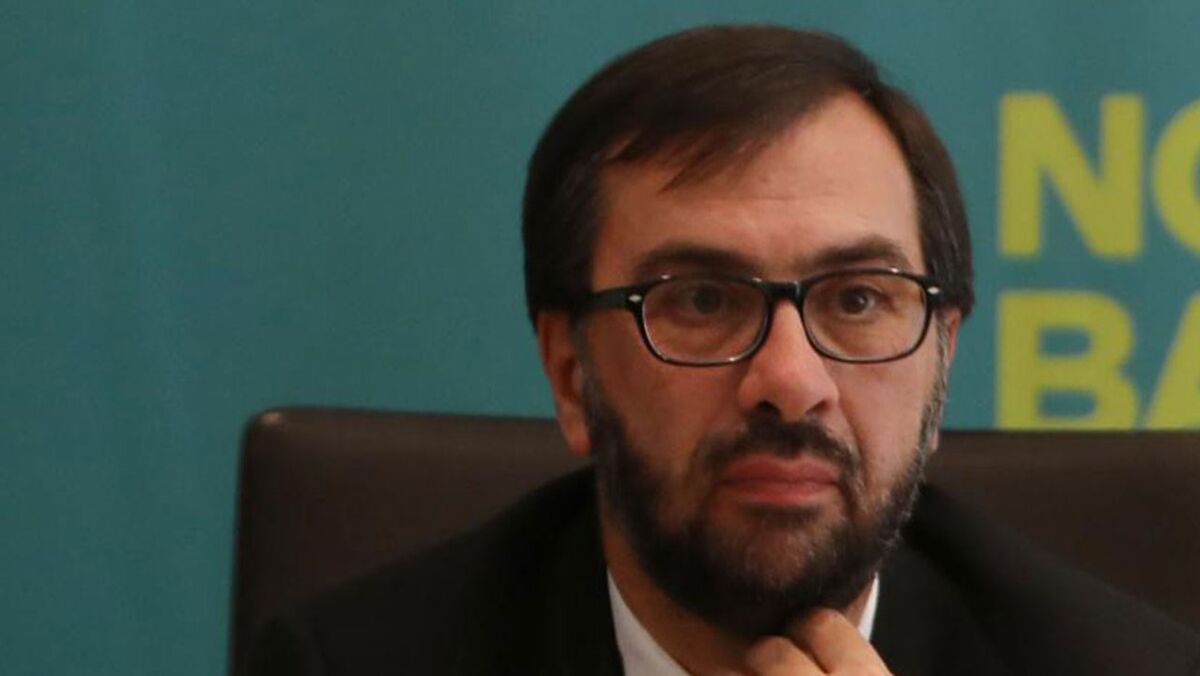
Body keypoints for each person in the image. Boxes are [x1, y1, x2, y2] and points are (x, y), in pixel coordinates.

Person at [253, 25, 1200, 675]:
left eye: (857, 300)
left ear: (940, 364)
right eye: (702, 300)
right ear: (573, 375)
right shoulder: (354, 663)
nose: (790, 382)